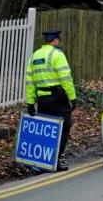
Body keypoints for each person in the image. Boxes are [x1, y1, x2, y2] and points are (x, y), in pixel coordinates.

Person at [25, 30, 76, 171]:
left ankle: (40, 164)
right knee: (64, 128)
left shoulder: (34, 56)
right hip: (58, 98)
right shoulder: (57, 54)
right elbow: (65, 78)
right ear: (55, 40)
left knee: (45, 130)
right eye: (58, 40)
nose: (58, 42)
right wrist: (73, 98)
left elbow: (29, 81)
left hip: (42, 99)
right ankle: (55, 161)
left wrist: (30, 102)